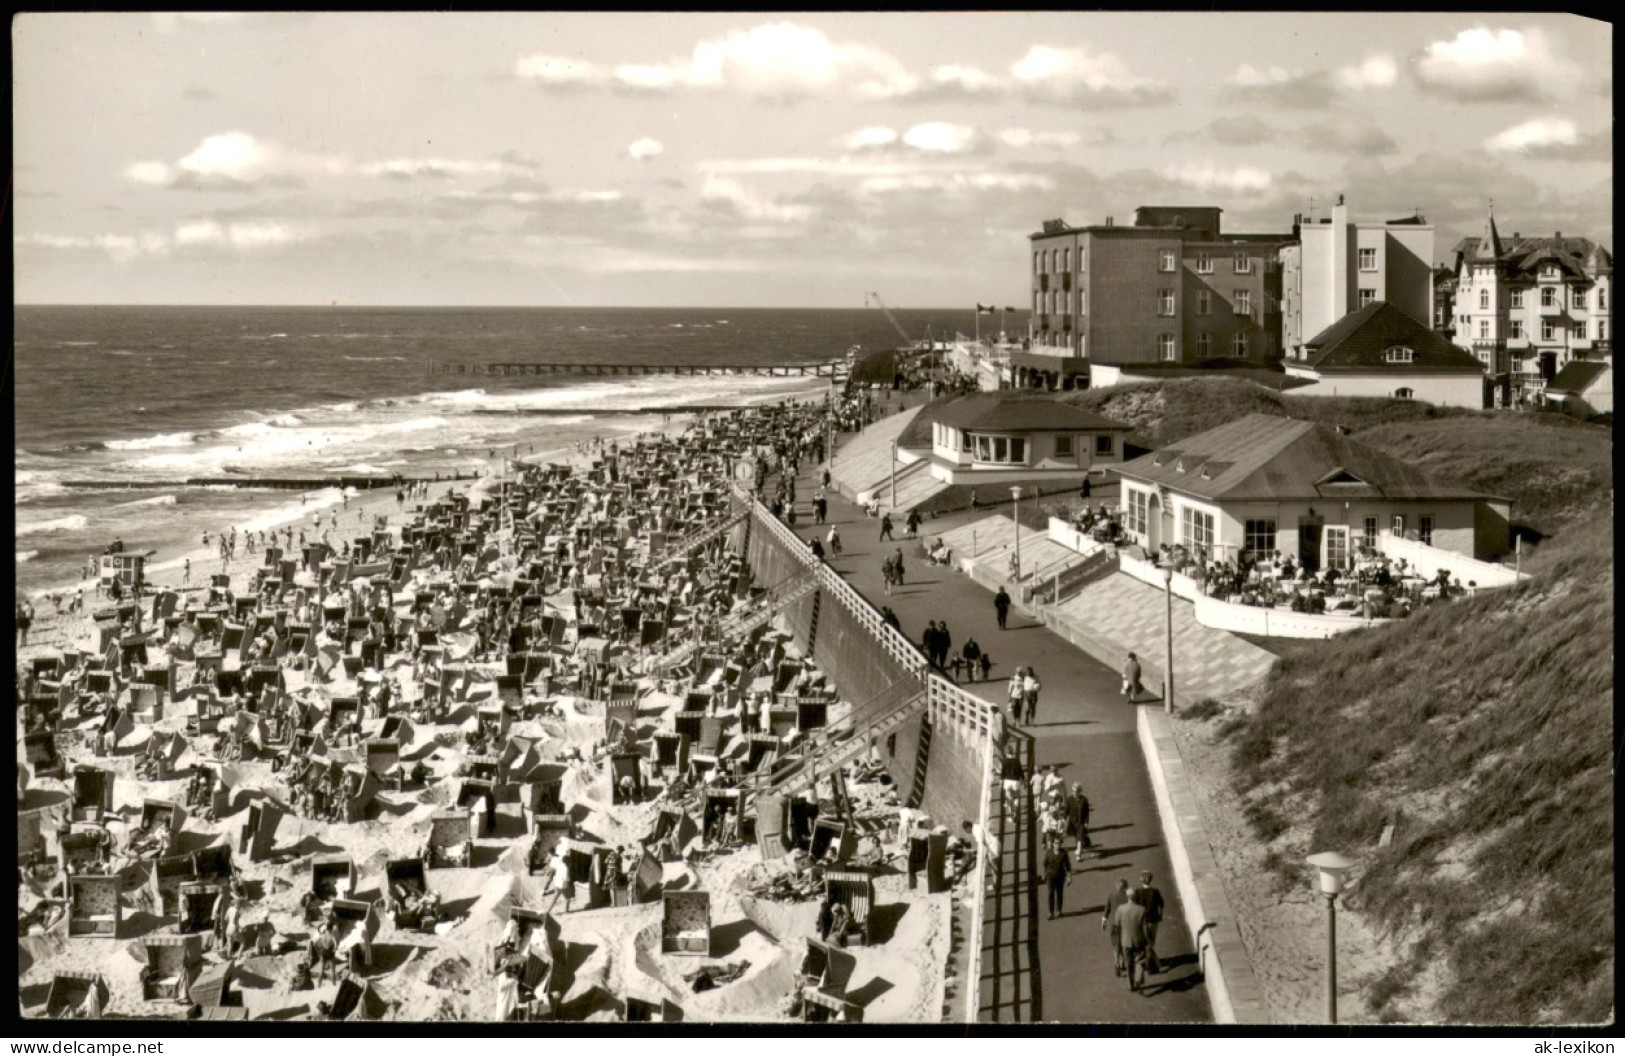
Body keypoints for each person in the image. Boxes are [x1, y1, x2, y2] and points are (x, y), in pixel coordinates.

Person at [1116, 888, 1149, 991]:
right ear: (1135, 897)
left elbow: (1117, 923)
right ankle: (1138, 979)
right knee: (1139, 961)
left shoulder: (1120, 909)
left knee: (1129, 963)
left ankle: (1130, 985)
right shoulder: (1142, 909)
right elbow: (1145, 926)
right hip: (1139, 939)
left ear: (1127, 897)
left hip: (1125, 940)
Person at [1102, 878, 1132, 977]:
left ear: (1117, 886)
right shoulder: (1128, 898)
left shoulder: (1111, 895)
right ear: (1126, 887)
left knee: (1116, 946)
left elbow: (1107, 909)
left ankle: (1117, 964)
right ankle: (1123, 962)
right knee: (1124, 944)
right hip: (1125, 924)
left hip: (1114, 924)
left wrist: (1104, 921)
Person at [1138, 871, 1166, 974]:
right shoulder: (1155, 892)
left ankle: (1150, 964)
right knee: (1151, 942)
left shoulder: (1138, 892)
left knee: (1146, 943)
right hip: (1154, 920)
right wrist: (1160, 915)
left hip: (1142, 920)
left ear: (1141, 880)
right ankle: (1153, 963)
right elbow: (1161, 904)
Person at [1041, 842, 1072, 920]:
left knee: (1059, 893)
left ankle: (1059, 910)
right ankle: (1051, 912)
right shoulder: (1049, 853)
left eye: (1058, 843)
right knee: (1050, 893)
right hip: (1050, 876)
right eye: (1055, 843)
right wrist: (1043, 874)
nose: (1057, 845)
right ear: (1053, 844)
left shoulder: (1063, 853)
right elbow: (1045, 864)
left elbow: (1067, 866)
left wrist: (1069, 877)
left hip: (1060, 876)